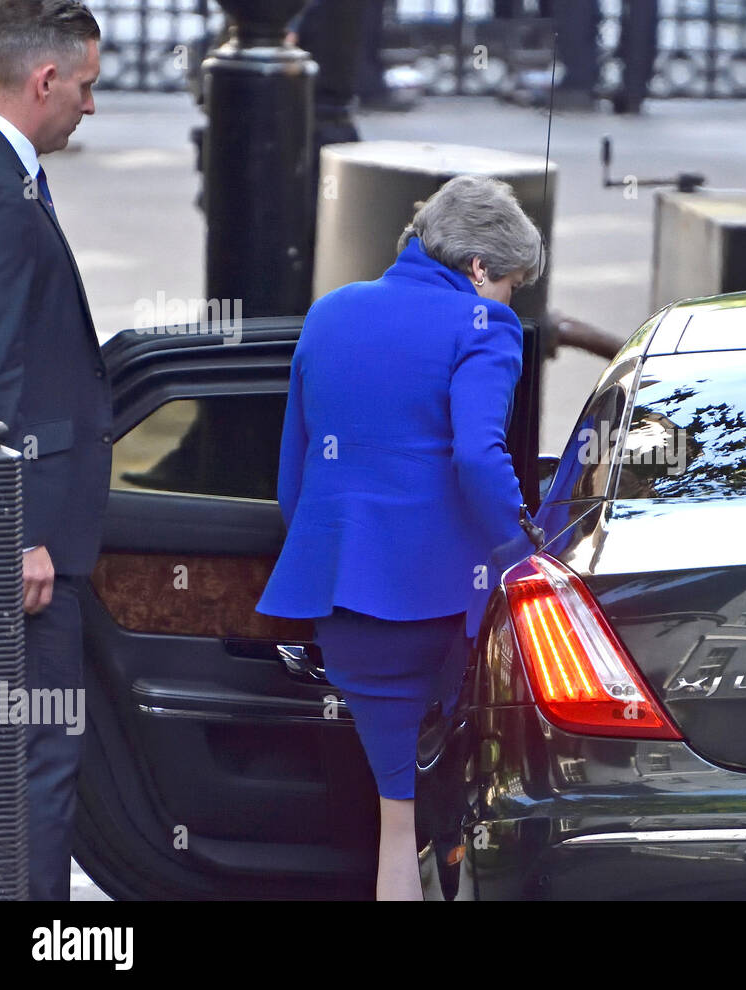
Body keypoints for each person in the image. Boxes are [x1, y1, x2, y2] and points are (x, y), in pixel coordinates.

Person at [255, 175, 544, 901]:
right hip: (443, 604)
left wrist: (339, 562)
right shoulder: (484, 325)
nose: (509, 299)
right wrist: (522, 552)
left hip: (346, 603)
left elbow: (295, 479)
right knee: (444, 811)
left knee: (396, 808)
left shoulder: (330, 313)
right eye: (510, 282)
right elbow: (479, 456)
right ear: (479, 269)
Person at [0, 0, 109, 900]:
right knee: (38, 762)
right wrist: (14, 531)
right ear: (45, 80)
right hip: (27, 549)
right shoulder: (0, 192)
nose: (91, 108)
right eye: (90, 87)